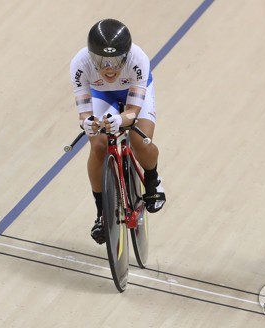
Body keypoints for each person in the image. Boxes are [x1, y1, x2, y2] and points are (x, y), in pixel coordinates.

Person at [70, 18, 166, 244]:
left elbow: (133, 110)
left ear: (126, 54)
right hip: (101, 95)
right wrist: (88, 122)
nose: (109, 68)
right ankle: (101, 213)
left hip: (134, 92)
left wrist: (120, 119)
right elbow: (84, 113)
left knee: (139, 139)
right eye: (101, 61)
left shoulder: (138, 58)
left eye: (115, 61)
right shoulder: (80, 63)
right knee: (99, 145)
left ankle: (152, 180)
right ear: (91, 56)